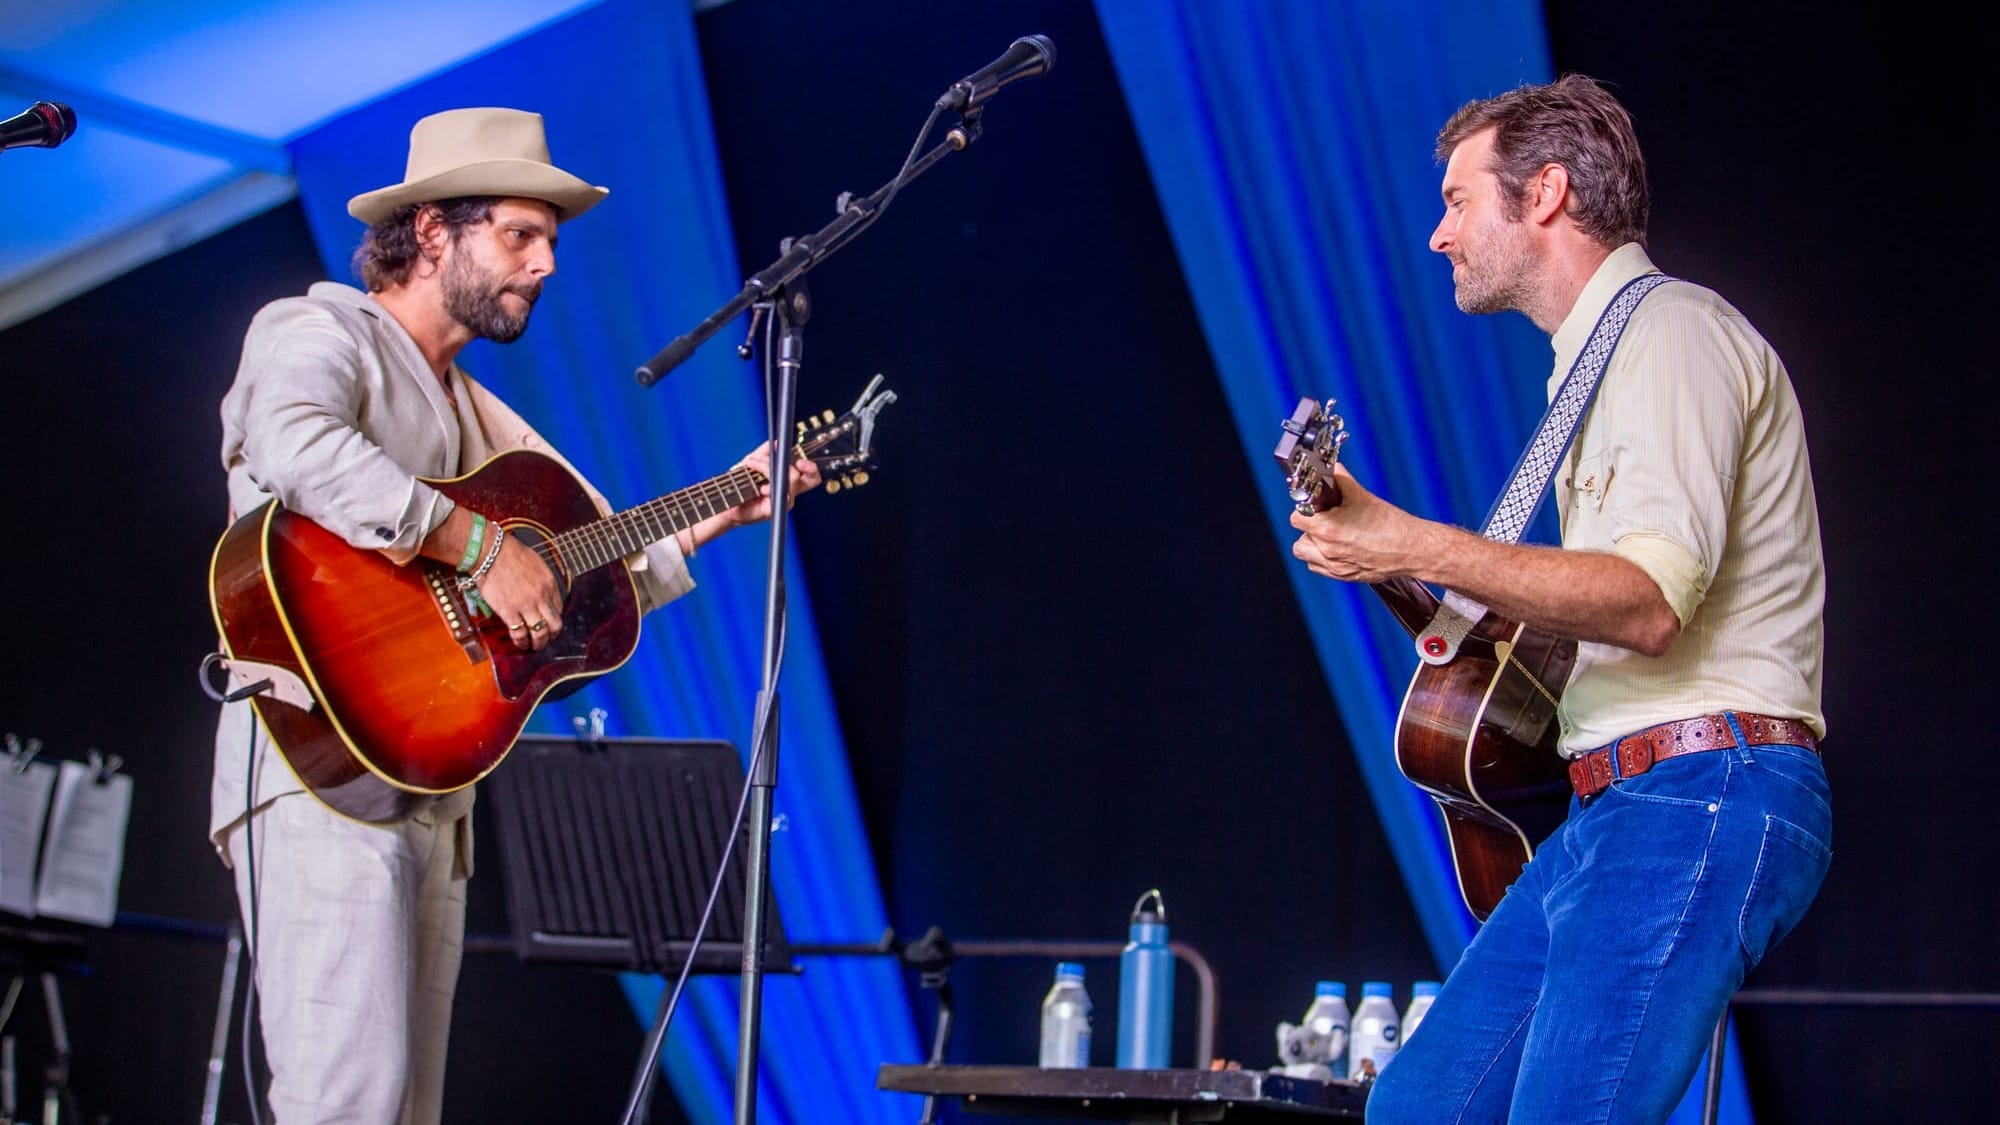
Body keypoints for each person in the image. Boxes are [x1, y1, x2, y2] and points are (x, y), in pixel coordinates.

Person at [209, 107, 817, 1124]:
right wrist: (482, 548)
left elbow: (579, 559)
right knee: (342, 1104)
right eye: (518, 236)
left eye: (549, 243)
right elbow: (295, 444)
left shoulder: (472, 408)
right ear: (434, 232)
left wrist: (725, 505)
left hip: (425, 777)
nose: (541, 266)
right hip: (313, 760)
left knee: (403, 1111)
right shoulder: (315, 330)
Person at [1289, 76, 1832, 1123]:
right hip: (1620, 805)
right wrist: (1407, 571)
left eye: (1455, 199)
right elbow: (1595, 621)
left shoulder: (1667, 333)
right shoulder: (1586, 368)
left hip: (1700, 788)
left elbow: (1644, 607)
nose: (1438, 234)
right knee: (1418, 1109)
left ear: (1541, 194)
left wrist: (1408, 540)